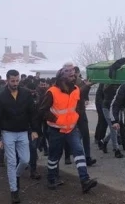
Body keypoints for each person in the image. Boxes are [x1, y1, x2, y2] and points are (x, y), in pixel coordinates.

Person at [38, 65, 97, 193]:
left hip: (71, 129)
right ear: (63, 77)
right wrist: (57, 120)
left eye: (74, 75)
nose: (73, 77)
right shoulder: (52, 92)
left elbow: (79, 106)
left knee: (78, 151)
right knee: (54, 156)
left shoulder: (76, 90)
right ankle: (51, 179)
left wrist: (76, 116)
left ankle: (85, 180)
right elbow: (42, 111)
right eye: (70, 76)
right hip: (56, 130)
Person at [0, 70, 39, 204]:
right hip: (8, 133)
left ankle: (16, 175)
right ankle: (14, 190)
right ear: (7, 80)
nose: (15, 83)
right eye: (12, 81)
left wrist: (35, 130)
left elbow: (32, 112)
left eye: (17, 80)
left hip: (23, 132)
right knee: (11, 161)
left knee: (25, 160)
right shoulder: (0, 97)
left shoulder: (25, 94)